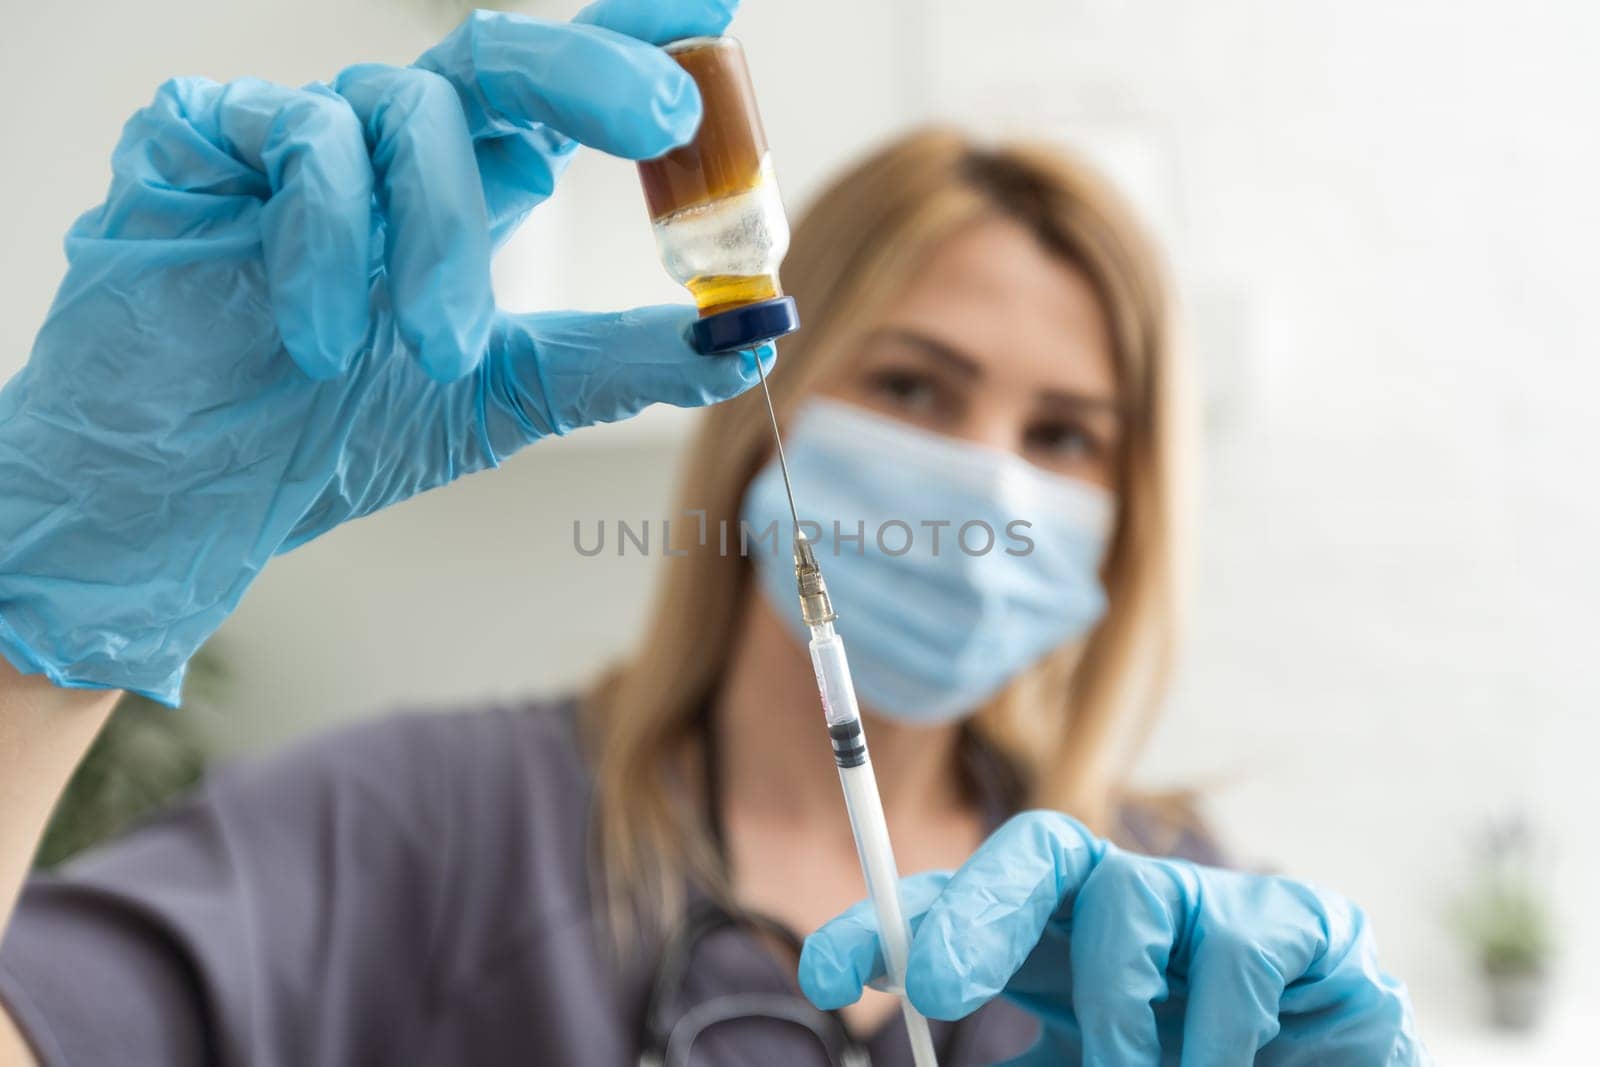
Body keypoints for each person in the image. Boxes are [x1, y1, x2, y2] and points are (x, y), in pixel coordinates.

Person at [0, 2, 1423, 1064]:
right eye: (912, 385)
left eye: (1065, 435)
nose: (981, 489)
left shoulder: (1164, 927)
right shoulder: (417, 831)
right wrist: (39, 646)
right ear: (760, 404)